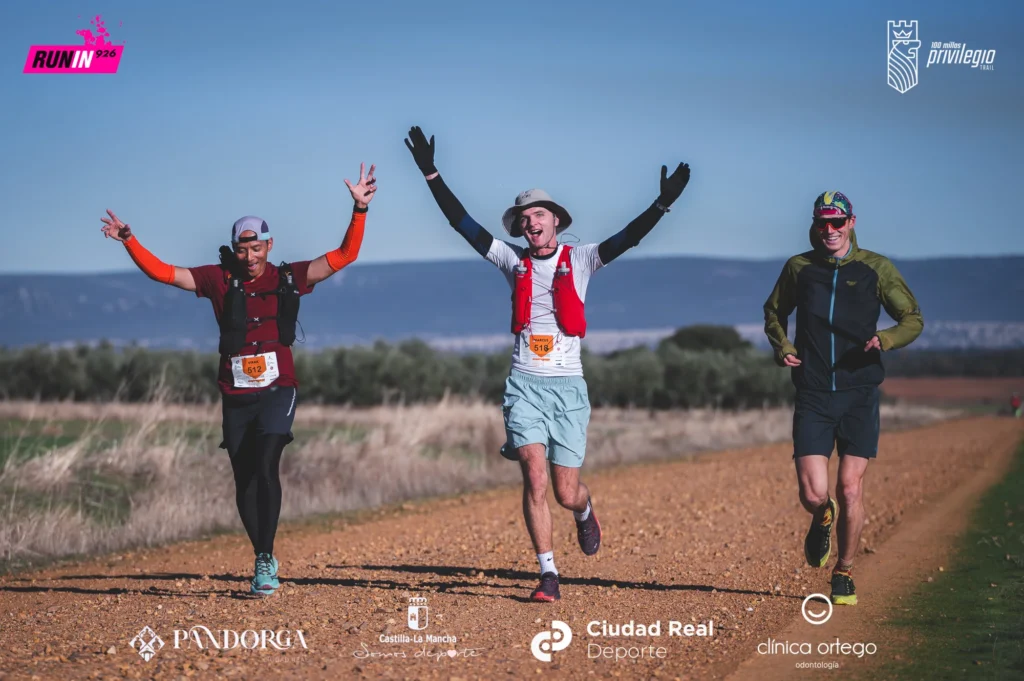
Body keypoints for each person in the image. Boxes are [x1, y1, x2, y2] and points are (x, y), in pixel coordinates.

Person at [404, 125, 691, 602]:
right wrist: (431, 174)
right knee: (534, 477)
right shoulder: (510, 260)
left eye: (539, 213)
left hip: (568, 388)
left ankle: (584, 509)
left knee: (564, 491)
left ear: (556, 220)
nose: (531, 222)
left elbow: (628, 238)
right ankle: (549, 574)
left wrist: (662, 204)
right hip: (524, 385)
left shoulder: (583, 260)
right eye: (524, 217)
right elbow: (463, 223)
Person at [99, 164, 377, 595]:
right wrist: (129, 240)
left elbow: (344, 256)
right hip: (235, 393)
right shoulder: (216, 279)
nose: (250, 258)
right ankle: (262, 551)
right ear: (234, 249)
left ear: (269, 245)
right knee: (244, 478)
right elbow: (164, 273)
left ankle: (264, 559)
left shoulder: (288, 276)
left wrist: (359, 210)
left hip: (278, 388)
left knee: (266, 464)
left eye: (256, 249)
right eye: (243, 250)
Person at [763, 190, 924, 606]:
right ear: (815, 225)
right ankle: (822, 516)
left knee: (850, 488)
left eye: (837, 222)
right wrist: (783, 347)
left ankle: (844, 572)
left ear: (852, 222)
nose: (830, 230)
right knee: (813, 494)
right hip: (814, 392)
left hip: (859, 393)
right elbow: (774, 312)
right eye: (823, 223)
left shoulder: (876, 268)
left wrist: (886, 339)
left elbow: (912, 318)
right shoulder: (799, 267)